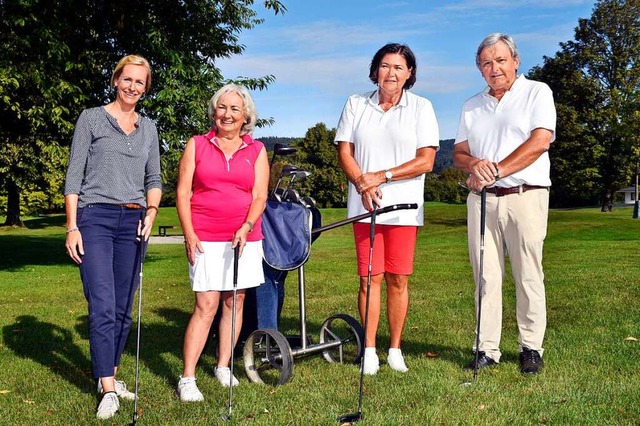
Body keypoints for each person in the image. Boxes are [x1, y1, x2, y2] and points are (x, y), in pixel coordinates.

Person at [64, 54, 162, 419]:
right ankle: (106, 388)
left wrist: (152, 212)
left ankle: (112, 374)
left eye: (140, 82)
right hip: (95, 218)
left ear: (145, 88)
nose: (133, 87)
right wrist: (72, 226)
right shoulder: (91, 118)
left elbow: (154, 179)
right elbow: (74, 176)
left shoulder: (149, 128)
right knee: (102, 303)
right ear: (115, 80)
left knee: (123, 309)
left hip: (134, 222)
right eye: (128, 79)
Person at [453, 33, 556, 375]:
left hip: (525, 196)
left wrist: (495, 170)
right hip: (482, 200)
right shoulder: (471, 105)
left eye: (500, 60)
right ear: (479, 69)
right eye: (486, 62)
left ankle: (531, 348)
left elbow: (540, 142)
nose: (494, 68)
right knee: (486, 277)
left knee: (528, 275)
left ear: (515, 61)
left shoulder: (537, 92)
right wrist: (475, 166)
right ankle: (486, 349)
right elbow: (459, 153)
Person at [335, 43, 439, 375]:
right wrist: (362, 183)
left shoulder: (421, 107)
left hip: (404, 209)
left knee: (398, 279)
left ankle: (394, 348)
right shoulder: (355, 103)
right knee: (369, 279)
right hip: (364, 205)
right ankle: (368, 350)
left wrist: (382, 175)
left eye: (398, 67)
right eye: (384, 66)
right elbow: (345, 151)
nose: (390, 73)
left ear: (409, 74)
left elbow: (426, 160)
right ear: (375, 69)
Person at [176, 83, 269, 401]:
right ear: (214, 112)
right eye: (222, 107)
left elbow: (260, 195)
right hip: (205, 238)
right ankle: (187, 377)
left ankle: (223, 366)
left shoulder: (256, 150)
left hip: (243, 238)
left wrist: (246, 225)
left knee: (236, 300)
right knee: (206, 305)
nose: (227, 114)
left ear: (246, 117)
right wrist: (189, 233)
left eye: (235, 109)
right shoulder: (197, 145)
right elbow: (183, 192)